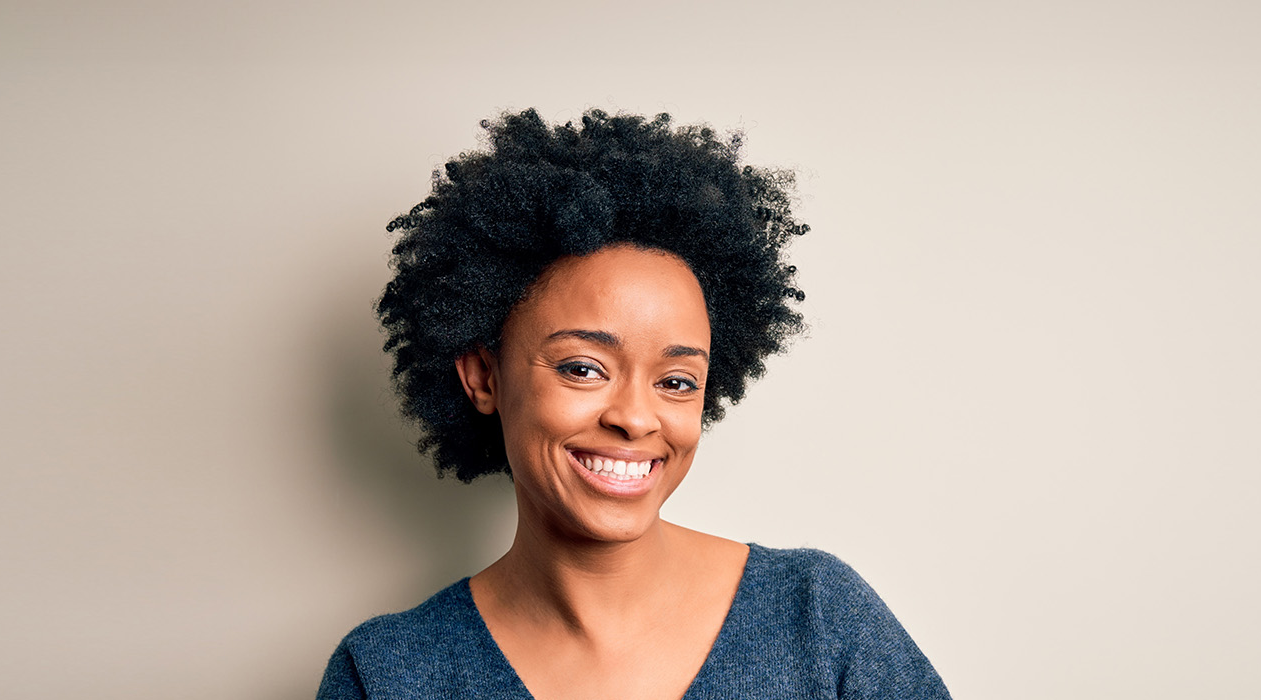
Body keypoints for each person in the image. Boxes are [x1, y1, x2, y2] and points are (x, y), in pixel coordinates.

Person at [318, 108, 948, 699]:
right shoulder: (387, 675)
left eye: (676, 381)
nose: (636, 418)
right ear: (484, 376)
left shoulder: (821, 622)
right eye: (583, 368)